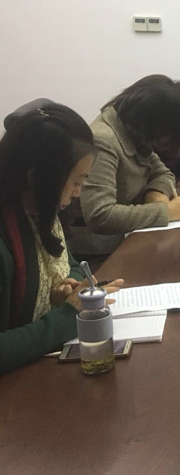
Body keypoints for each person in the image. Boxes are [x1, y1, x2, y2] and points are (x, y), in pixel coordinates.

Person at [0, 101, 123, 374]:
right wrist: (68, 316)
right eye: (76, 182)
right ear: (36, 176)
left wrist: (69, 287)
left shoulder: (41, 212)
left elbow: (70, 264)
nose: (78, 192)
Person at [68, 75, 180, 264]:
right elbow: (100, 214)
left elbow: (163, 173)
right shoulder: (103, 140)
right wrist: (165, 212)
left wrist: (156, 193)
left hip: (129, 239)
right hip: (99, 255)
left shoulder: (132, 132)